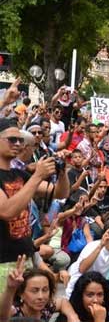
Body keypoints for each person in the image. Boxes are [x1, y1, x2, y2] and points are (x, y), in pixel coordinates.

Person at [0, 118, 70, 290]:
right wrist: (38, 175)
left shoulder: (19, 174)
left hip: (25, 257)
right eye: (12, 139)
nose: (18, 144)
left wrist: (62, 172)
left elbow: (60, 193)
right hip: (2, 262)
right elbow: (6, 211)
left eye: (20, 140)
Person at [0, 255, 79, 322]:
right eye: (34, 291)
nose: (41, 296)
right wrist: (10, 289)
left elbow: (62, 302)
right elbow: (2, 317)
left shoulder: (47, 307)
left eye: (45, 290)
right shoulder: (14, 311)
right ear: (21, 294)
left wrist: (72, 315)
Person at [65, 220, 109, 297]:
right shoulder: (92, 246)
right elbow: (82, 269)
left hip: (95, 292)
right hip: (77, 292)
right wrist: (100, 246)